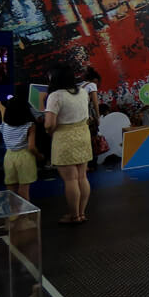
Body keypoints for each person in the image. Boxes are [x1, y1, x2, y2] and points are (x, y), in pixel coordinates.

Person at [44, 64, 92, 224]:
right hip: (83, 135)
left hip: (64, 138)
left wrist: (49, 132)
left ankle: (74, 216)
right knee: (82, 176)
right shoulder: (83, 92)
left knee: (71, 180)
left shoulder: (55, 96)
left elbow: (49, 124)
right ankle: (82, 213)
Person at [0, 97, 41, 201]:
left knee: (11, 189)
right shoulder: (30, 126)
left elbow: (3, 111)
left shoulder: (5, 124)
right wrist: (39, 156)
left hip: (9, 157)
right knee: (24, 191)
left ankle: (13, 215)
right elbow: (31, 147)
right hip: (25, 158)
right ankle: (24, 216)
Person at [80, 66, 101, 171]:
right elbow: (95, 103)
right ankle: (92, 164)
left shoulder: (79, 86)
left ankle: (85, 164)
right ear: (95, 80)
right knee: (92, 140)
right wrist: (98, 116)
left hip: (80, 117)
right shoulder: (92, 85)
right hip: (89, 117)